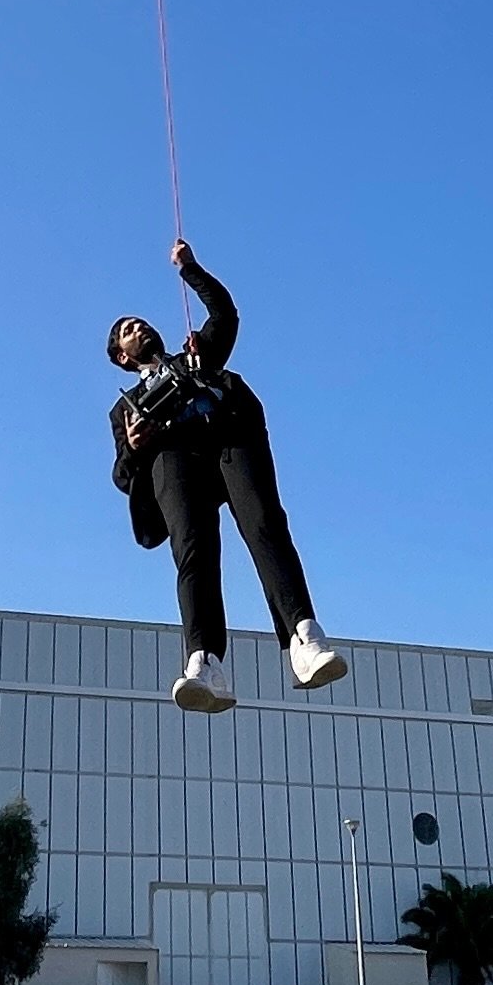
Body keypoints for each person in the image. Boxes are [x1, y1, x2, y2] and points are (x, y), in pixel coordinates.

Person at [110, 241, 347, 713]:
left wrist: (190, 269)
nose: (138, 328)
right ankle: (204, 661)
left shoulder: (198, 358)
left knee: (265, 526)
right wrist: (137, 446)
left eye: (140, 322)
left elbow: (226, 312)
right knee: (195, 550)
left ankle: (302, 637)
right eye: (126, 331)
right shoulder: (124, 409)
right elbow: (121, 473)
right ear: (120, 357)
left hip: (229, 439)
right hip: (174, 457)